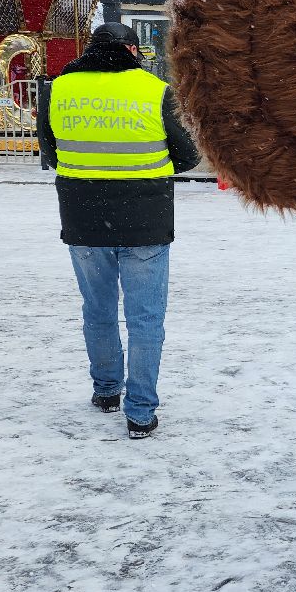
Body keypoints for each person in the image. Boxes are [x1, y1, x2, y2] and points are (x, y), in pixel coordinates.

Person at [39, 22, 200, 439]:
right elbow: (187, 155)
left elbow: (50, 151)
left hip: (82, 217)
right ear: (132, 51)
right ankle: (141, 412)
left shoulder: (58, 89)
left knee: (98, 310)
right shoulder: (154, 90)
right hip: (145, 218)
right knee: (146, 317)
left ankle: (107, 389)